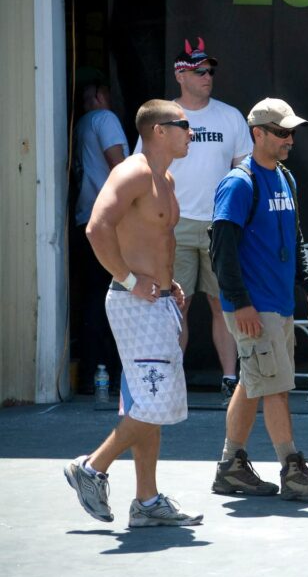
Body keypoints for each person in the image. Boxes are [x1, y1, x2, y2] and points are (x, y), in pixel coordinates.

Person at [64, 99, 202, 527]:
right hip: (133, 303)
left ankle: (146, 501)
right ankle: (91, 467)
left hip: (157, 301)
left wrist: (168, 282)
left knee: (147, 402)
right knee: (156, 401)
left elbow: (162, 239)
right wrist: (129, 279)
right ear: (159, 130)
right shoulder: (133, 171)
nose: (191, 133)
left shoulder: (167, 179)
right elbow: (96, 227)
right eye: (184, 125)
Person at [209, 98, 308, 500]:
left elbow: (294, 241)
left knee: (254, 381)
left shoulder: (285, 177)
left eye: (292, 132)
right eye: (282, 132)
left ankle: (231, 467)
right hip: (253, 306)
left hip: (277, 304)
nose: (290, 139)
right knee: (276, 387)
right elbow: (221, 249)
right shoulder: (239, 182)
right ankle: (293, 469)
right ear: (257, 133)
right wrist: (239, 301)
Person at [136, 37, 252, 400]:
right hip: (174, 225)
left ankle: (231, 379)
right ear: (180, 75)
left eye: (210, 70)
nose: (208, 76)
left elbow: (246, 172)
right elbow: (142, 168)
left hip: (221, 225)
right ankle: (170, 379)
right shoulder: (162, 116)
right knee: (174, 305)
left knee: (224, 304)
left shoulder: (230, 116)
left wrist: (241, 218)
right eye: (199, 71)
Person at [71, 76, 129, 391]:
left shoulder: (80, 125)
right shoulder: (104, 119)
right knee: (115, 295)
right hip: (110, 220)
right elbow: (119, 166)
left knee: (93, 296)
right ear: (96, 95)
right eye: (105, 91)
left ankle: (93, 371)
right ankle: (113, 373)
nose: (109, 96)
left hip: (84, 218)